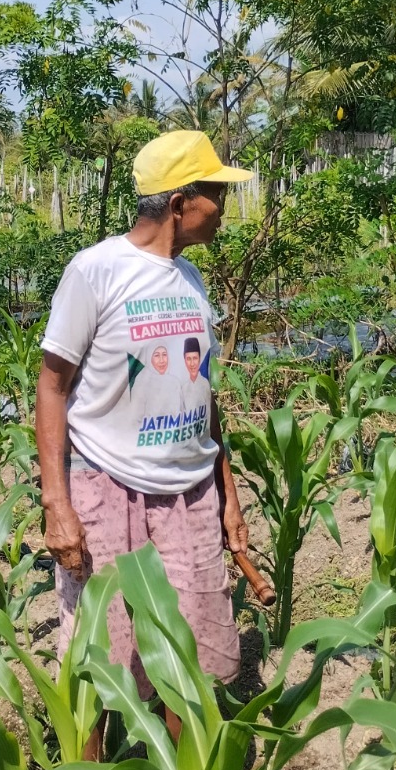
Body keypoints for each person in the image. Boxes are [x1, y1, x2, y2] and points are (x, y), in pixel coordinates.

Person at [36, 129, 254, 738]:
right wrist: (57, 504)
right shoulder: (96, 271)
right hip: (110, 487)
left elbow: (202, 393)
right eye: (216, 193)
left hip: (189, 493)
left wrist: (227, 494)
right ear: (181, 201)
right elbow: (51, 386)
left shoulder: (191, 279)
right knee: (97, 658)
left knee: (188, 659)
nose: (223, 207)